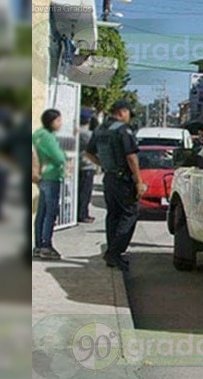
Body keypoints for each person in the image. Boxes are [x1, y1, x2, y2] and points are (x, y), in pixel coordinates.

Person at [85, 100, 147, 270]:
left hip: (110, 178)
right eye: (128, 113)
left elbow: (88, 153)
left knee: (113, 215)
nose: (129, 118)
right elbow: (131, 157)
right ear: (122, 112)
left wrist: (104, 166)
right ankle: (114, 252)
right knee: (130, 213)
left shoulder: (100, 129)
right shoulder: (123, 130)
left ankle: (113, 253)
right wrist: (139, 181)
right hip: (123, 179)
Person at [32, 109, 67, 261]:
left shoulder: (37, 135)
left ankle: (38, 245)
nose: (61, 124)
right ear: (51, 121)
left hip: (40, 176)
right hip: (51, 176)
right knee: (50, 212)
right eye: (58, 120)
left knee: (41, 212)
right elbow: (59, 158)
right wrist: (65, 159)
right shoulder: (48, 137)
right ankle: (46, 245)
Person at [77, 109, 96, 224]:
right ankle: (83, 214)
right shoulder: (87, 134)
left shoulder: (75, 132)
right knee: (85, 192)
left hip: (77, 165)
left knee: (78, 191)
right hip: (87, 166)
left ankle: (78, 213)